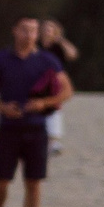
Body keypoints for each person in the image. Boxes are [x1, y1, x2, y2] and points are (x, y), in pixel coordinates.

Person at [0, 15, 71, 207]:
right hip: (8, 129)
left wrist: (44, 103)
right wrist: (0, 106)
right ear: (14, 31)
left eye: (34, 31)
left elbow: (67, 90)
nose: (30, 35)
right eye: (25, 30)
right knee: (1, 182)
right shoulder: (0, 59)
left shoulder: (48, 60)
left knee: (33, 182)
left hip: (37, 129)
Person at [38, 19, 78, 154]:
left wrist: (61, 40)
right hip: (36, 79)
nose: (47, 31)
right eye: (45, 28)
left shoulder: (58, 46)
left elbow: (72, 54)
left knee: (54, 108)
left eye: (50, 28)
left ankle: (54, 141)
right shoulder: (36, 45)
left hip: (55, 81)